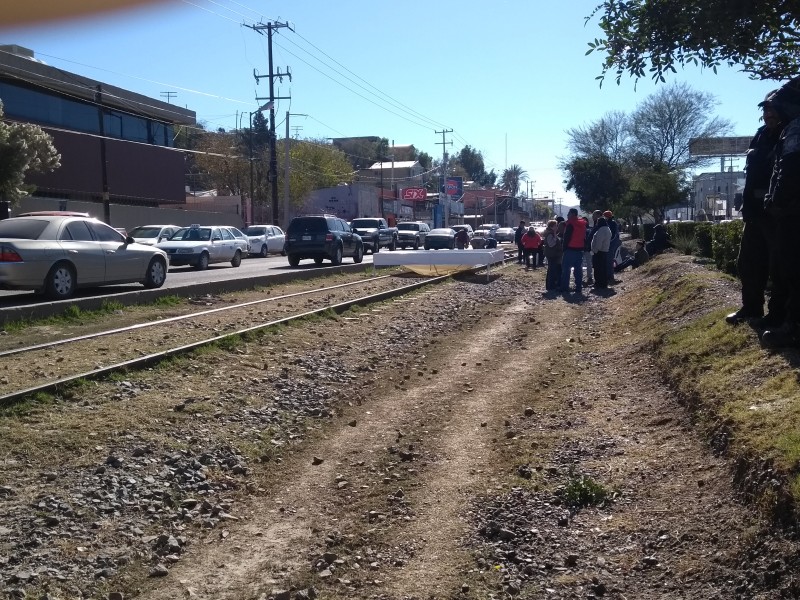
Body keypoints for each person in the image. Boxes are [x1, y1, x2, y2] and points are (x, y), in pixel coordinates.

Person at [725, 90, 784, 326]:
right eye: (765, 109)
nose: (768, 113)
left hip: (778, 214)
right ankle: (751, 308)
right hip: (755, 213)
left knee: (779, 267)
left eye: (773, 109)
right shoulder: (761, 135)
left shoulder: (790, 133)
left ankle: (779, 316)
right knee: (748, 262)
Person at [759, 76, 800, 348]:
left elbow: (791, 168)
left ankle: (793, 328)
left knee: (793, 270)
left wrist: (777, 201)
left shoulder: (794, 130)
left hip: (793, 213)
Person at [560, 208, 587, 294]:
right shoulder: (582, 224)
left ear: (572, 214)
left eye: (568, 213)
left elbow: (566, 238)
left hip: (570, 249)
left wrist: (563, 249)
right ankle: (578, 287)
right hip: (580, 250)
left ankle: (564, 288)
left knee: (566, 269)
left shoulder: (570, 224)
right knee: (578, 270)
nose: (567, 215)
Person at [590, 216, 612, 288]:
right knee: (603, 268)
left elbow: (599, 242)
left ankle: (598, 283)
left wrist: (595, 250)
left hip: (599, 251)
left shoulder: (601, 230)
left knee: (597, 268)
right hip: (605, 251)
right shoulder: (608, 229)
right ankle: (603, 283)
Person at [543, 220, 562, 291]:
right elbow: (551, 244)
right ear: (551, 226)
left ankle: (550, 285)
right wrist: (555, 238)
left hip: (552, 254)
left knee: (551, 270)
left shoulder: (550, 233)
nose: (557, 227)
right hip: (551, 254)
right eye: (555, 226)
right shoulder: (550, 233)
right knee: (551, 270)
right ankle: (550, 286)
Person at [604, 210, 621, 281]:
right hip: (609, 243)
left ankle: (610, 276)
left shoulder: (612, 223)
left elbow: (613, 235)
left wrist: (609, 241)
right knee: (608, 260)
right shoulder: (608, 223)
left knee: (610, 259)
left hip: (611, 244)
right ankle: (608, 275)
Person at [582, 216, 594, 285]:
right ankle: (589, 277)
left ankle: (586, 277)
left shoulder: (580, 230)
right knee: (588, 263)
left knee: (583, 263)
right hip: (587, 248)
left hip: (583, 248)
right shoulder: (590, 229)